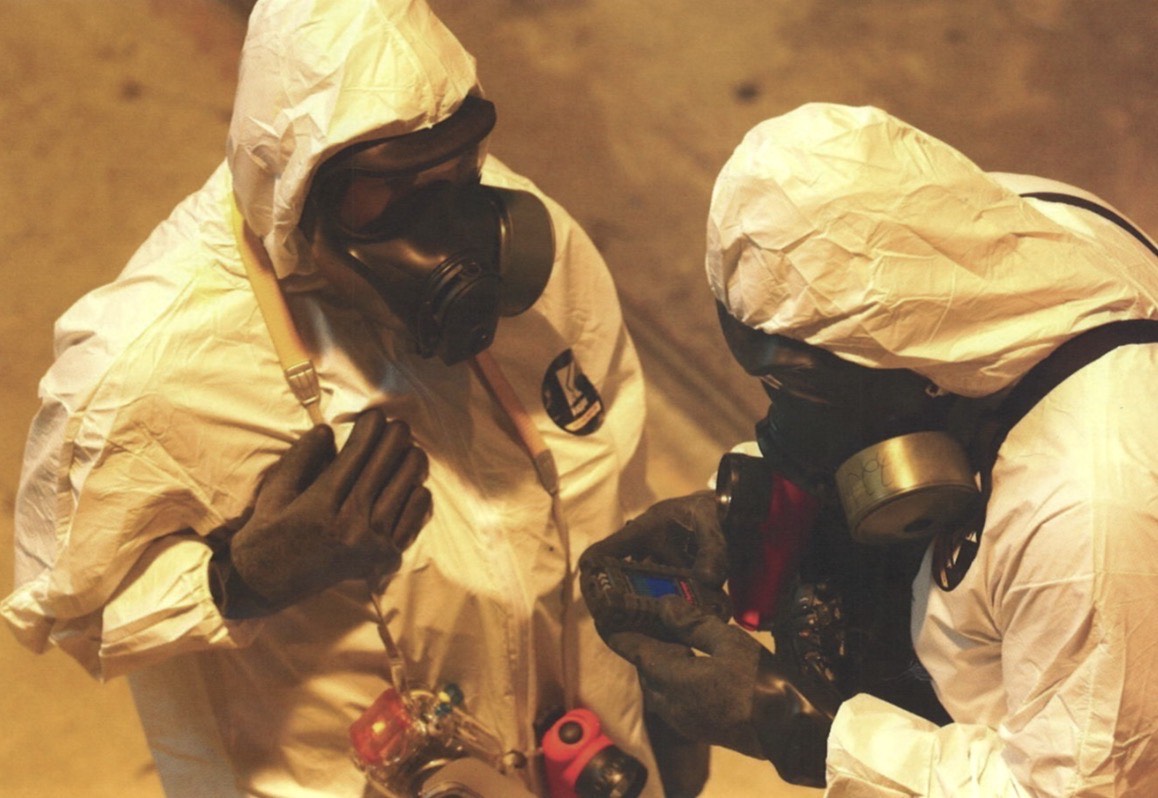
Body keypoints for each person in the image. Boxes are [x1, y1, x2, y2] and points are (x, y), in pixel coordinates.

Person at [0, 1, 665, 795]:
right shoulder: (144, 368)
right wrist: (236, 581)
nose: (445, 225)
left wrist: (655, 701)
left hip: (583, 760)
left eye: (453, 170)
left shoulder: (542, 257)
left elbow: (614, 472)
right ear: (299, 188)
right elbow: (61, 610)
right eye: (391, 191)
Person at [582, 103, 1158, 795]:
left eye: (797, 389)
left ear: (918, 370)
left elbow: (1077, 787)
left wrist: (799, 729)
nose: (780, 414)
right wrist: (753, 506)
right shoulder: (986, 236)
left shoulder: (1089, 517)